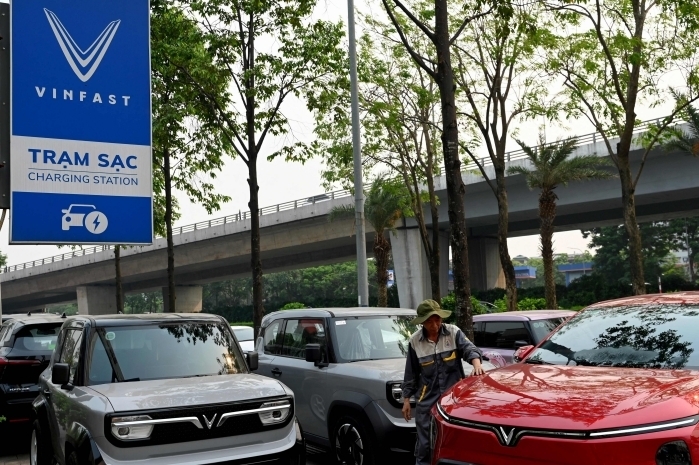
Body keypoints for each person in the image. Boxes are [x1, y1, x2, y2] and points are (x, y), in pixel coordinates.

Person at [402, 299, 485, 465]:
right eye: (429, 321)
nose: (434, 325)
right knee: (425, 444)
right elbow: (411, 373)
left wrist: (476, 364)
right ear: (422, 322)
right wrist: (406, 400)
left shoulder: (453, 332)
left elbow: (469, 349)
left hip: (453, 399)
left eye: (437, 320)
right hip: (426, 400)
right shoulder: (415, 341)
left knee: (454, 442)